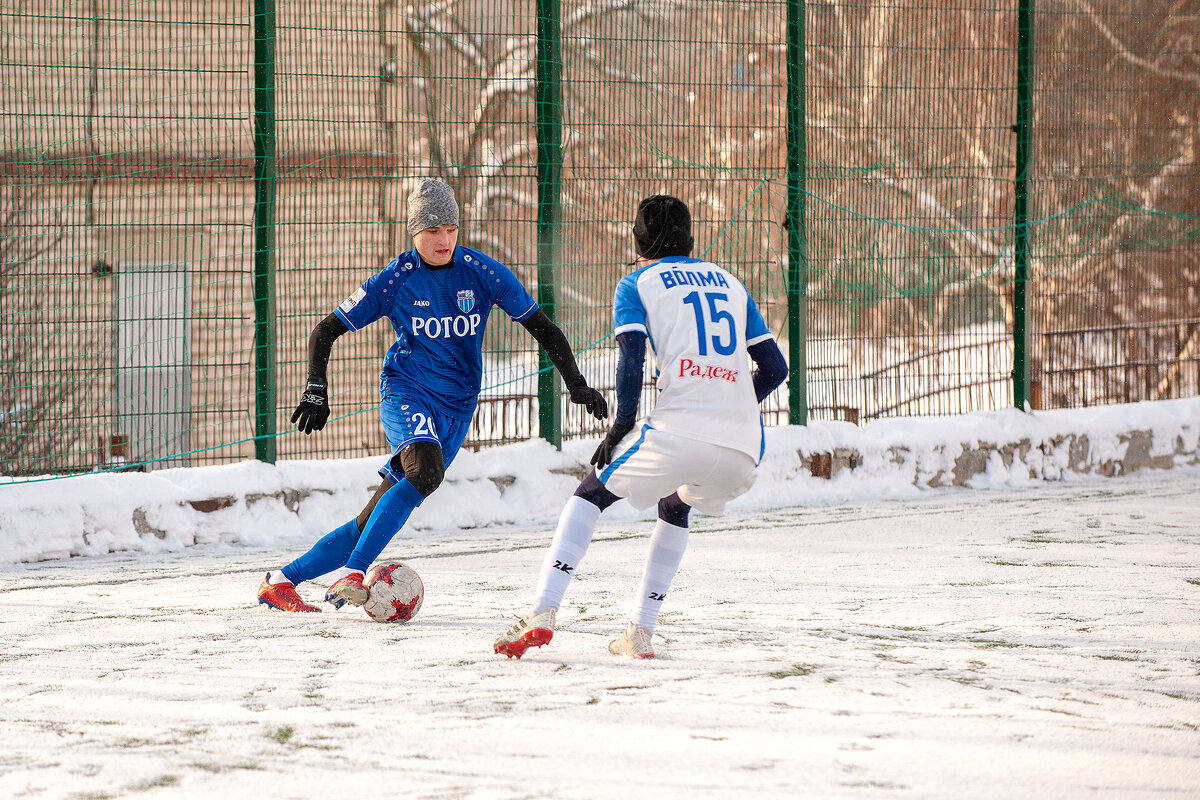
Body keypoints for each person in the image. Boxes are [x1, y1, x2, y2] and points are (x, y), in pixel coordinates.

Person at [257, 178, 608, 613]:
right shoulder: (396, 279)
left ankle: (280, 581)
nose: (444, 239)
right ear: (414, 232)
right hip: (406, 390)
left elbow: (543, 327)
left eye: (451, 229)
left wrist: (576, 384)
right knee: (425, 472)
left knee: (371, 519)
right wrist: (315, 387)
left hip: (457, 409)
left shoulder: (482, 272)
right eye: (432, 230)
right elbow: (326, 329)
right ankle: (354, 572)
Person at [494, 194, 788, 659]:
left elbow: (631, 360)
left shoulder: (637, 283)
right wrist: (728, 404)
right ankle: (640, 632)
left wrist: (620, 427)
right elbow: (774, 368)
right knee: (675, 505)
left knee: (589, 495)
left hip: (678, 431)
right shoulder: (731, 283)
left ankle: (543, 610)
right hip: (743, 449)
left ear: (637, 239)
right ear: (690, 238)